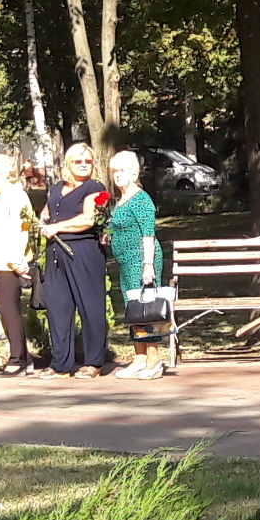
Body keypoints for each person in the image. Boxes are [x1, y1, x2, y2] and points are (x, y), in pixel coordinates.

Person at [39, 139, 113, 379]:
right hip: (56, 252)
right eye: (78, 161)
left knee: (90, 307)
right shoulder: (57, 187)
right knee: (58, 308)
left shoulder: (95, 187)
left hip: (83, 251)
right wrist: (44, 219)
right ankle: (60, 363)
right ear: (68, 164)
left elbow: (88, 219)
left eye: (88, 161)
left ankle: (94, 362)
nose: (83, 164)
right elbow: (48, 210)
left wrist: (57, 227)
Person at [105, 146, 166, 377]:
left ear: (134, 173)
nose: (118, 175)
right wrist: (108, 235)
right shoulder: (122, 200)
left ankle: (154, 359)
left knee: (147, 308)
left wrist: (148, 265)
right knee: (133, 309)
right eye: (115, 171)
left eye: (122, 171)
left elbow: (148, 234)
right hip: (125, 262)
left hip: (141, 260)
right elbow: (119, 227)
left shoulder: (141, 199)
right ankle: (139, 356)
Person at [0, 150, 39, 375]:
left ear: (5, 172)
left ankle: (18, 359)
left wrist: (16, 260)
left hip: (10, 263)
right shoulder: (0, 196)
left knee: (10, 310)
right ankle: (23, 356)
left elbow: (22, 228)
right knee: (5, 310)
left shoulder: (15, 195)